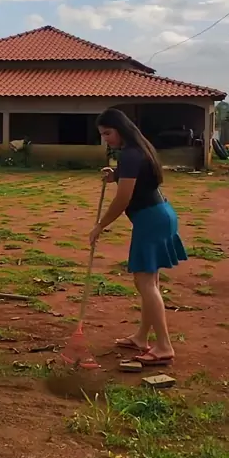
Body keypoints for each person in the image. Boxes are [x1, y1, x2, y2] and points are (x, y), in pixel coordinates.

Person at [89, 108, 187, 366]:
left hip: (151, 220)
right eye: (102, 134)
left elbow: (123, 199)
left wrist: (100, 225)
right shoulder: (138, 149)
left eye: (107, 133)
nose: (105, 139)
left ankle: (164, 346)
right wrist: (116, 176)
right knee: (149, 282)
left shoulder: (130, 154)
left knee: (145, 283)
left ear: (120, 129)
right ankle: (142, 337)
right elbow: (138, 180)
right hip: (160, 214)